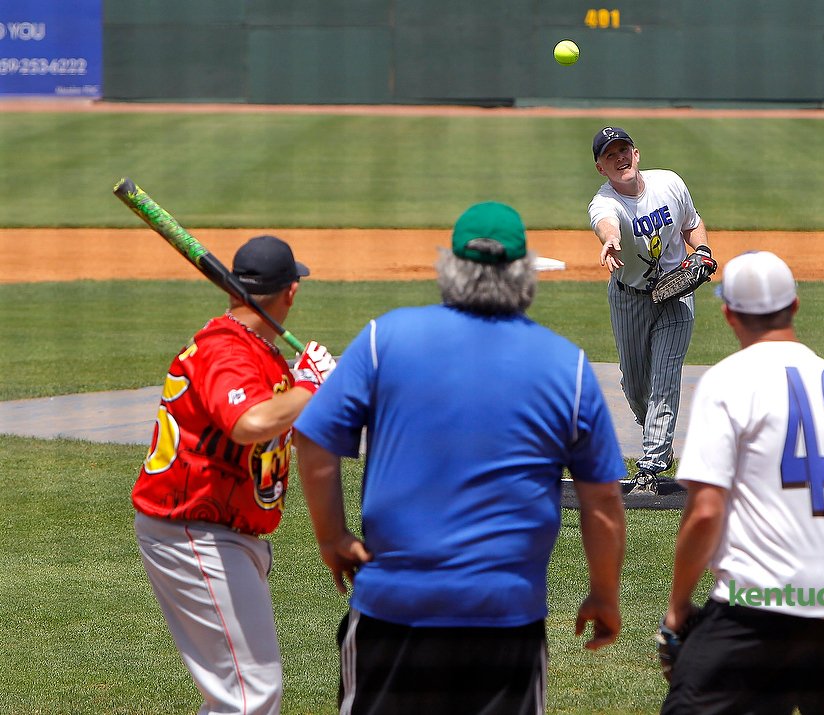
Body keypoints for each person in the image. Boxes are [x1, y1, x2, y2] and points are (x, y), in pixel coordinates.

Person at [293, 201, 628, 715]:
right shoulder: (569, 367)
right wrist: (603, 594)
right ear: (523, 274)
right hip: (505, 618)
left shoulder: (386, 338)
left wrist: (332, 537)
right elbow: (602, 499)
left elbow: (314, 436)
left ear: (450, 268)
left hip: (394, 609)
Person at [660, 251, 824, 714]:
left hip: (762, 605)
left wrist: (678, 606)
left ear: (728, 314)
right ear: (795, 306)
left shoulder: (729, 380)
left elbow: (705, 511)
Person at [132, 235, 335, 715]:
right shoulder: (226, 350)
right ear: (291, 291)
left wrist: (310, 386)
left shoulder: (250, 348)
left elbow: (280, 419)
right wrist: (309, 385)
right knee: (248, 696)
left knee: (242, 694)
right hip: (196, 534)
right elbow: (250, 423)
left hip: (222, 532)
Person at [587, 126, 712, 495]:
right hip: (630, 297)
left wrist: (702, 250)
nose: (620, 158)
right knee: (636, 384)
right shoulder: (604, 201)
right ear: (601, 167)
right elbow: (604, 221)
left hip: (675, 292)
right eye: (611, 155)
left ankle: (651, 464)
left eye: (624, 150)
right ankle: (659, 435)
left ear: (637, 154)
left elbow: (692, 223)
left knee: (664, 376)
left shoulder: (669, 183)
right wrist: (610, 238)